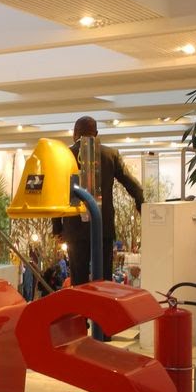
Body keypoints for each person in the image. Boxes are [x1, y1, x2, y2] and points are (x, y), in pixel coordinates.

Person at [53, 116, 144, 286]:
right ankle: (102, 303)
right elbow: (132, 185)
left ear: (74, 133)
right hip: (103, 227)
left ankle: (81, 303)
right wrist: (141, 204)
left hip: (74, 229)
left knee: (79, 281)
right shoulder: (110, 155)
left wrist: (57, 228)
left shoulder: (64, 156)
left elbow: (56, 193)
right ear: (96, 133)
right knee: (104, 280)